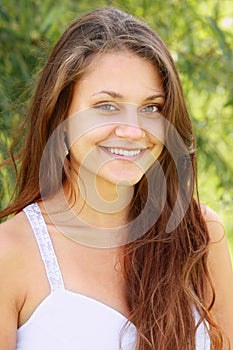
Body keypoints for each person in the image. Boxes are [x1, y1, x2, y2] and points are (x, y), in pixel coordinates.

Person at [0, 7, 232, 350]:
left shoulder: (199, 236)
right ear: (60, 114)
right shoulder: (11, 254)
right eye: (106, 105)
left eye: (151, 108)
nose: (133, 131)